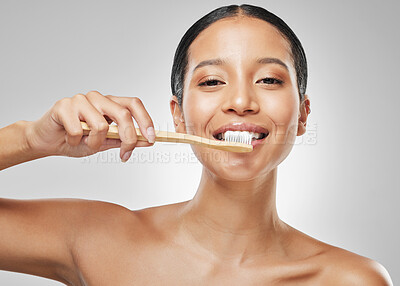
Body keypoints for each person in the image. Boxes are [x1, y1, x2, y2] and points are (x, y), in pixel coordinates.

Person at [0, 4, 393, 285]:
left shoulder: (350, 280)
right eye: (211, 82)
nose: (241, 101)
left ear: (303, 114)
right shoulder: (94, 239)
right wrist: (29, 139)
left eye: (269, 80)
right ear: (178, 115)